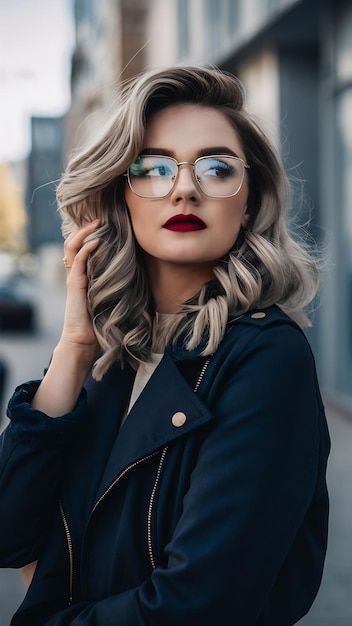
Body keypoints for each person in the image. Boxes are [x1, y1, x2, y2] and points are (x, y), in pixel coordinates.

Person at [0, 65, 330, 626]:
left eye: (217, 167)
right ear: (119, 196)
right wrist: (76, 345)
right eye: (153, 168)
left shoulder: (267, 358)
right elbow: (8, 533)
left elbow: (198, 606)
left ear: (248, 203)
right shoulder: (111, 356)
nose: (184, 187)